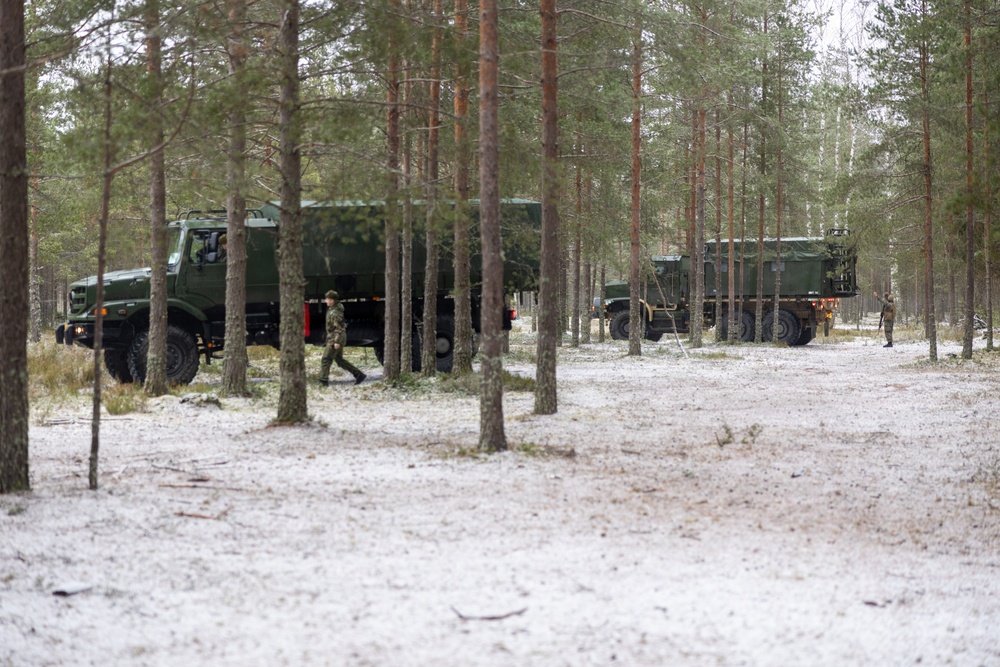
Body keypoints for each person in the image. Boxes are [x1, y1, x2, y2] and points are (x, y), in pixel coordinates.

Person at [319, 290, 366, 386]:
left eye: (327, 299)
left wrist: (337, 341)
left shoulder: (335, 312)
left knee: (326, 359)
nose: (326, 301)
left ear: (332, 300)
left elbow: (339, 328)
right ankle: (358, 374)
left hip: (336, 338)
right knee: (339, 360)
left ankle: (323, 381)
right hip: (335, 337)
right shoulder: (332, 309)